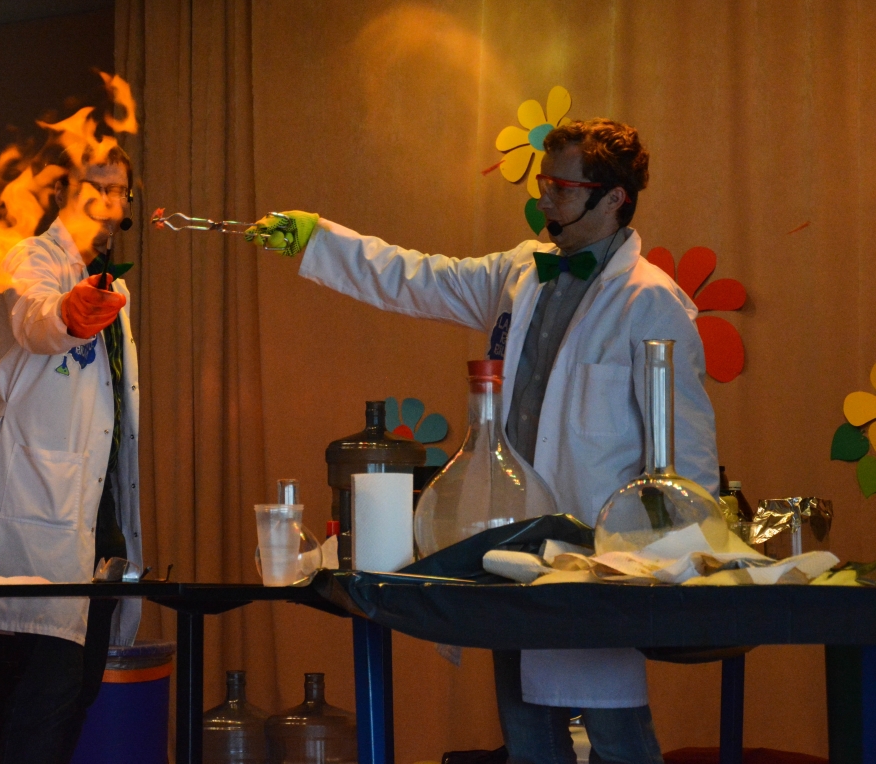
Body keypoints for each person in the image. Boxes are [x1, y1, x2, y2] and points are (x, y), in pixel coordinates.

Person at [248, 119, 718, 764]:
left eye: (561, 187)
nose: (544, 197)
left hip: (597, 557)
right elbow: (416, 277)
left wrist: (688, 563)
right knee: (527, 733)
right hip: (512, 543)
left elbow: (688, 444)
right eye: (543, 182)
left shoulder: (651, 301)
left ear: (613, 198)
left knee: (616, 733)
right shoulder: (519, 273)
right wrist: (318, 241)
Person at [0, 143, 142, 764]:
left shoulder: (115, 287)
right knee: (36, 706)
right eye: (95, 186)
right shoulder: (33, 258)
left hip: (99, 519)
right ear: (62, 189)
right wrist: (69, 314)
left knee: (79, 692)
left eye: (118, 190)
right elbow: (38, 320)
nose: (108, 201)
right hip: (39, 511)